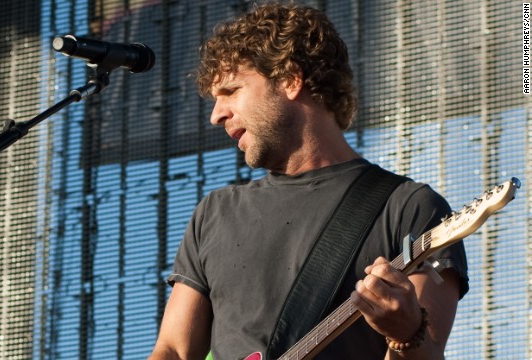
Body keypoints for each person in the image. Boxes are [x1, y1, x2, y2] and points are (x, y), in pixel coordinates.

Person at [149, 2, 468, 359]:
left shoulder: (409, 208)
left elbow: (428, 352)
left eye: (232, 91)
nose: (216, 115)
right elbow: (174, 351)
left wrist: (408, 334)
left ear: (289, 80)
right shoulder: (215, 213)